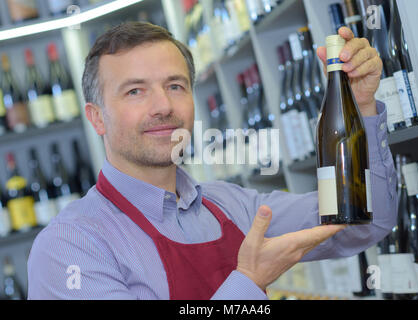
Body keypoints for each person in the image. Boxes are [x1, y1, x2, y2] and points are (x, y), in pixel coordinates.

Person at [27, 22, 397, 300]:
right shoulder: (70, 245)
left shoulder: (232, 205)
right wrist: (248, 283)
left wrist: (360, 107)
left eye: (175, 86)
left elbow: (365, 222)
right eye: (135, 91)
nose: (163, 107)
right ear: (96, 117)